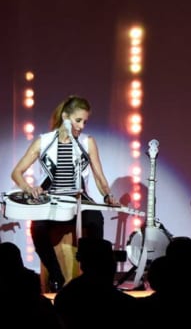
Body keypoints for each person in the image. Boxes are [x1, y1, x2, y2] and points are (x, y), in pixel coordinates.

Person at [10, 95, 116, 292]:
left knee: (95, 220)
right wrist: (29, 188)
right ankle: (56, 275)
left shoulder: (87, 142)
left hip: (79, 198)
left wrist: (107, 195)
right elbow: (16, 172)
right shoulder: (44, 141)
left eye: (85, 122)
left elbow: (99, 176)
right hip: (52, 199)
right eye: (78, 120)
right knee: (37, 228)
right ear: (65, 117)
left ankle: (94, 277)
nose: (82, 126)